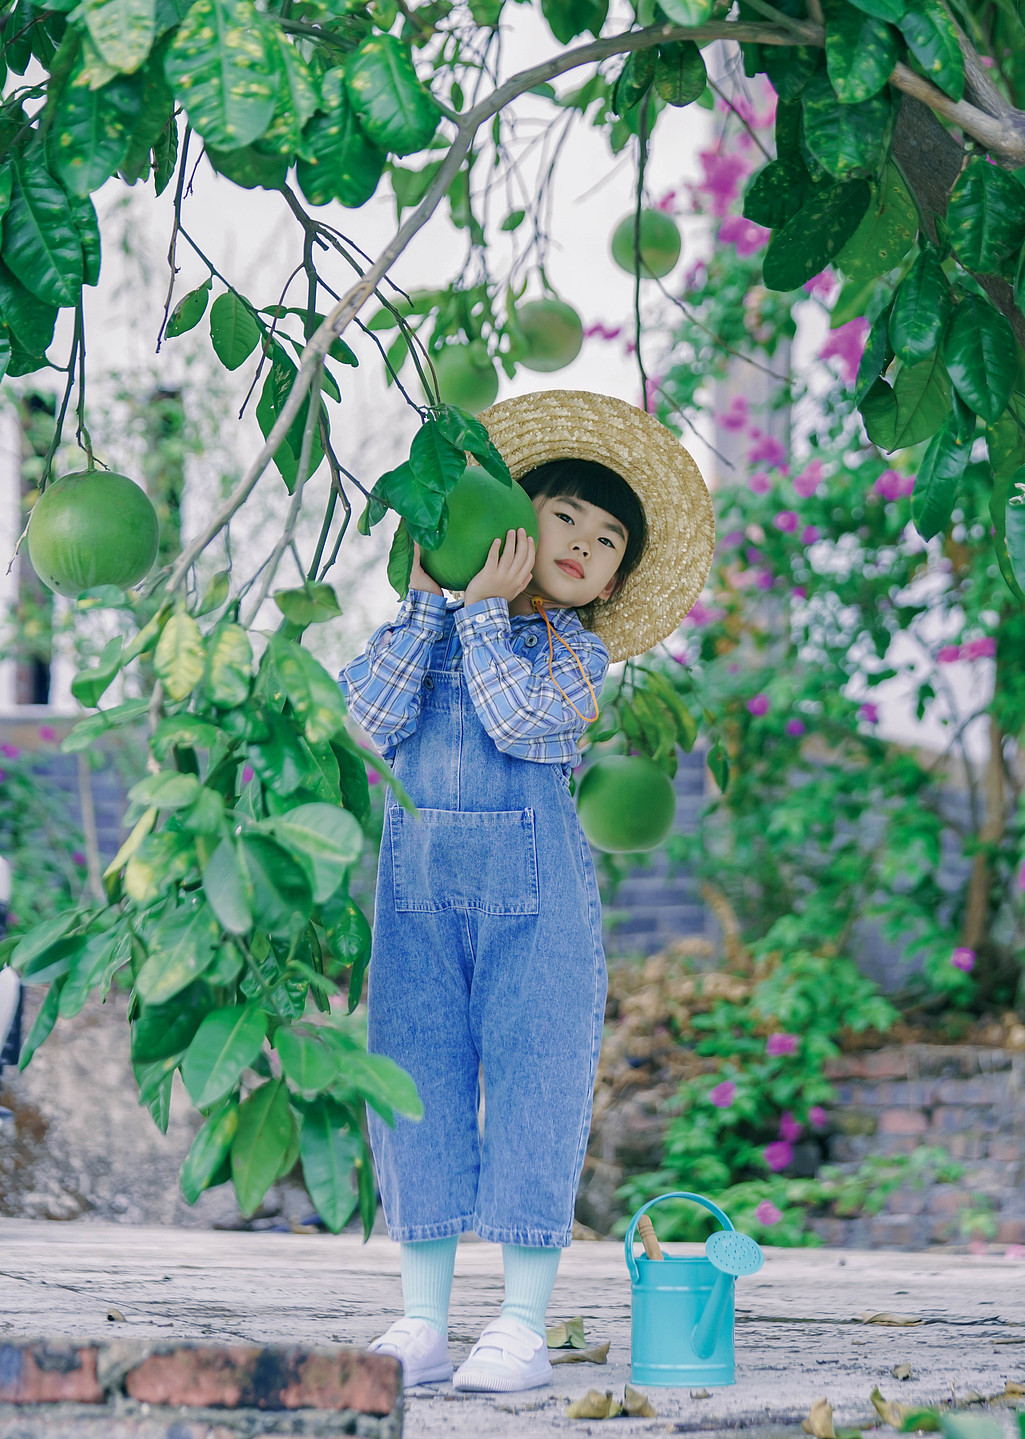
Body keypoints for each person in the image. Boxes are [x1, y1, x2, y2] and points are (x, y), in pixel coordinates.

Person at [341, 391, 715, 1394]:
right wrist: (434, 602)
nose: (586, 545)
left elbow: (514, 723)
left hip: (536, 909)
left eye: (609, 542)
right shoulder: (421, 630)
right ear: (513, 514)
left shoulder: (574, 655)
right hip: (417, 905)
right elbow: (365, 718)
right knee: (411, 1080)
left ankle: (518, 1320)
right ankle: (420, 1318)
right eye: (566, 518)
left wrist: (474, 615)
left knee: (536, 1090)